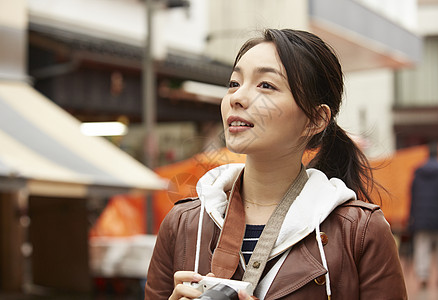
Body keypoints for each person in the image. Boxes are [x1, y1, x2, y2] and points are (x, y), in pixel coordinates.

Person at [145, 29, 407, 299]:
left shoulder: (360, 232)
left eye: (266, 85)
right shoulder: (183, 224)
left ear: (316, 119)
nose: (237, 97)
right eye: (234, 83)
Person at [408, 142, 438, 288]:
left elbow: (412, 197)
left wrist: (412, 217)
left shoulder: (418, 173)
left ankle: (423, 275)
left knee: (422, 246)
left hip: (421, 217)